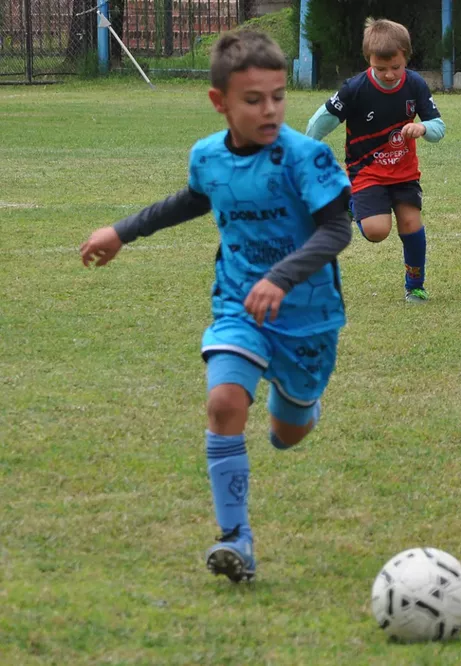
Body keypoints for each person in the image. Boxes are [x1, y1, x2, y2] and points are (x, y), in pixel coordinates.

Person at [79, 31, 353, 583]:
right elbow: (191, 201)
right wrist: (121, 232)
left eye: (277, 96)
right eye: (253, 100)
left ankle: (302, 404)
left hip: (309, 318)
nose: (270, 109)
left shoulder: (306, 156)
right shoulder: (207, 156)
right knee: (225, 401)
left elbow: (337, 230)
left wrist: (282, 276)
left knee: (288, 432)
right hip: (238, 306)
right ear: (219, 102)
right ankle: (236, 539)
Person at [306, 18, 445, 304]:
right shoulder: (354, 88)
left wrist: (423, 128)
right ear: (368, 60)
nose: (390, 74)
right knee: (377, 231)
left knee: (411, 223)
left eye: (396, 67)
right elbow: (321, 121)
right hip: (367, 173)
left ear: (406, 56)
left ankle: (415, 285)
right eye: (380, 69)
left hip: (404, 173)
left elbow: (438, 127)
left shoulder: (416, 85)